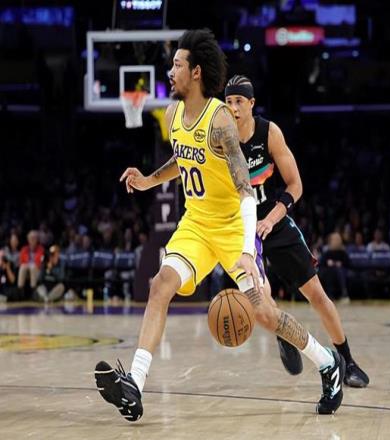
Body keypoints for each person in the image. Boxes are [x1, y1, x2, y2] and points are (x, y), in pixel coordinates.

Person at [94, 29, 344, 422]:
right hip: (196, 225)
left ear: (196, 72)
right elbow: (182, 160)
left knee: (265, 314)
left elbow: (246, 191)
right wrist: (148, 180)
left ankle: (327, 362)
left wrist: (246, 250)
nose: (171, 71)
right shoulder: (173, 114)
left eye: (178, 65)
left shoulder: (220, 120)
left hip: (232, 229)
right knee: (160, 286)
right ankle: (134, 387)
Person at [225, 75, 368, 387]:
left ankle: (348, 361)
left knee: (316, 294)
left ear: (251, 104)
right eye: (229, 101)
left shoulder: (269, 132)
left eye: (239, 101)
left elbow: (295, 185)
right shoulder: (221, 139)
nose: (233, 108)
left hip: (274, 222)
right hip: (240, 231)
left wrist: (270, 219)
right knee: (262, 301)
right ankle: (284, 331)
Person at [17, 230, 44, 294]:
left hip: (37, 270)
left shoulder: (41, 249)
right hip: (26, 269)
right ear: (28, 239)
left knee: (33, 267)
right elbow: (21, 261)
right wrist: (27, 265)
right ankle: (20, 290)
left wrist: (32, 265)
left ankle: (33, 290)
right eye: (31, 238)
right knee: (22, 267)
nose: (32, 240)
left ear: (37, 239)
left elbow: (40, 262)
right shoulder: (24, 249)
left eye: (34, 238)